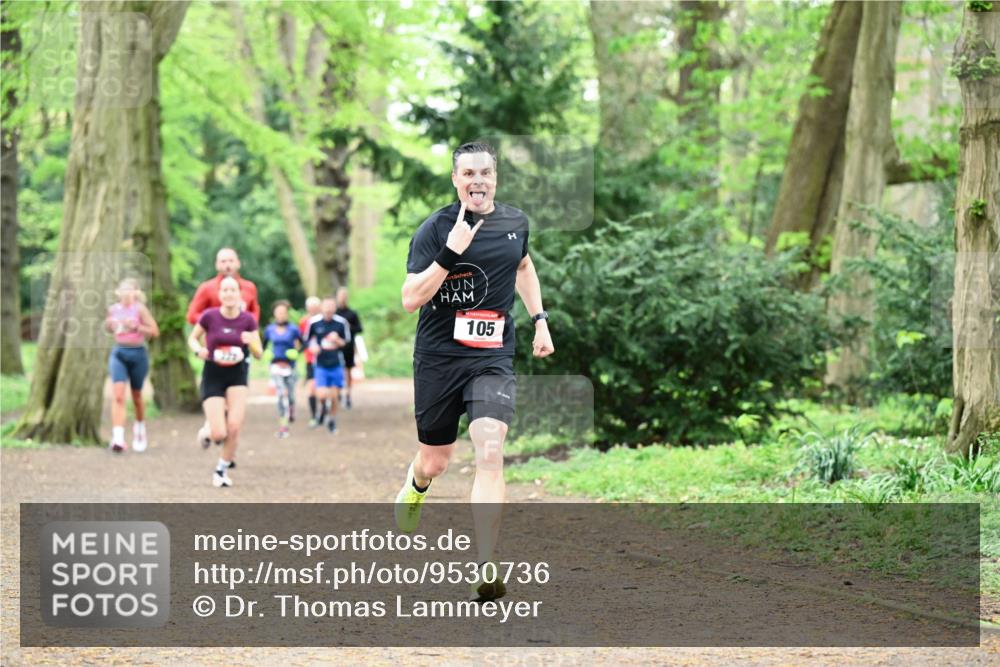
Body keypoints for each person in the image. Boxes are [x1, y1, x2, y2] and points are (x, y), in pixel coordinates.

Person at [394, 141, 554, 601]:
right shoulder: (434, 229)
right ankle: (417, 484)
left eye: (485, 173)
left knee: (489, 450)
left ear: (496, 178)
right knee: (436, 460)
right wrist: (450, 252)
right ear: (455, 179)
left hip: (491, 357)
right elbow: (409, 299)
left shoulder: (514, 223)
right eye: (468, 174)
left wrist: (539, 319)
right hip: (440, 360)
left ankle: (485, 563)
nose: (478, 181)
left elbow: (523, 266)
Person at [187, 276, 263, 487]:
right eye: (225, 290)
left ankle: (221, 470)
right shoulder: (209, 316)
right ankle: (207, 431)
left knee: (234, 427)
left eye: (233, 290)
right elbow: (192, 338)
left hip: (237, 376)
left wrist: (252, 343)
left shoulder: (248, 320)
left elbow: (259, 353)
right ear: (219, 294)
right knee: (219, 432)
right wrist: (198, 350)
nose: (229, 294)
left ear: (240, 294)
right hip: (213, 374)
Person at [188, 248, 260, 452]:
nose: (227, 265)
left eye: (230, 260)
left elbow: (255, 313)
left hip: (241, 349)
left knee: (235, 400)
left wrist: (247, 331)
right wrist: (214, 322)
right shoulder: (207, 288)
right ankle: (213, 427)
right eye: (222, 261)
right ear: (216, 265)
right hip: (216, 349)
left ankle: (228, 451)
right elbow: (192, 314)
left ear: (238, 263)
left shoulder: (249, 288)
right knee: (217, 391)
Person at [105, 278, 159, 453]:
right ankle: (118, 437)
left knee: (136, 396)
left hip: (138, 354)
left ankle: (140, 429)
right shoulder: (113, 309)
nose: (126, 293)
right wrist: (110, 325)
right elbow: (108, 327)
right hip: (119, 353)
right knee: (118, 395)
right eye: (123, 290)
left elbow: (154, 331)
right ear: (118, 292)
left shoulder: (140, 309)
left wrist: (137, 327)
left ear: (136, 293)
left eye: (130, 290)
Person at [305, 296, 351, 435]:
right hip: (320, 364)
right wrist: (313, 347)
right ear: (322, 307)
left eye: (332, 306)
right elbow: (306, 340)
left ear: (335, 308)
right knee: (322, 394)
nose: (329, 309)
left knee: (335, 396)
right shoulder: (314, 322)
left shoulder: (341, 323)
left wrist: (337, 340)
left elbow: (347, 342)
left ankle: (331, 419)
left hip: (337, 363)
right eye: (326, 306)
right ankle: (323, 408)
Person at [262, 300, 303, 438]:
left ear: (287, 314)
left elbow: (304, 344)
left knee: (290, 396)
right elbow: (263, 346)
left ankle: (291, 410)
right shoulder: (269, 329)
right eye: (278, 312)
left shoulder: (293, 329)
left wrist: (296, 352)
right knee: (280, 395)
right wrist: (266, 354)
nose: (281, 315)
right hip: (275, 366)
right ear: (274, 314)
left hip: (290, 366)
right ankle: (283, 426)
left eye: (283, 312)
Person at [335, 286, 364, 409]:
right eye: (340, 295)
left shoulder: (352, 313)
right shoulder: (333, 313)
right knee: (336, 370)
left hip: (348, 346)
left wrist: (348, 327)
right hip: (335, 347)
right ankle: (337, 393)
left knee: (347, 370)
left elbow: (360, 329)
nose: (342, 298)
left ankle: (347, 395)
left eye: (344, 296)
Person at [298, 296, 322, 427]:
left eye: (315, 308)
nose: (313, 310)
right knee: (311, 388)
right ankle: (314, 416)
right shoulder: (304, 322)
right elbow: (302, 340)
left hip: (325, 360)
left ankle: (324, 413)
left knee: (324, 389)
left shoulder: (325, 320)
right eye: (310, 308)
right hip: (310, 359)